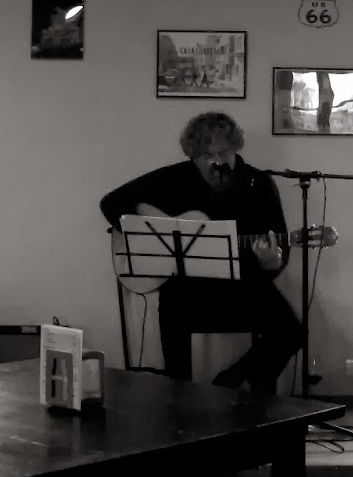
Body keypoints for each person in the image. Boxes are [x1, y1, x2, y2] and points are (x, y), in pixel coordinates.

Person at [100, 112, 301, 395]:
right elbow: (111, 203)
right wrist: (151, 229)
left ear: (235, 149)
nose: (216, 162)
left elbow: (279, 247)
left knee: (290, 331)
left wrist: (271, 262)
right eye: (207, 155)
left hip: (244, 286)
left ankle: (232, 383)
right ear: (193, 156)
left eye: (223, 153)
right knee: (173, 319)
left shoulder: (258, 184)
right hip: (187, 288)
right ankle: (181, 404)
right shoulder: (176, 178)